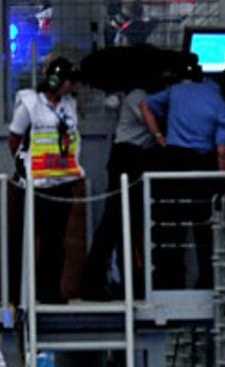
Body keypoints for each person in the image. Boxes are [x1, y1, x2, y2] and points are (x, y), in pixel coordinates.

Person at [81, 63, 179, 300]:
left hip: (135, 159)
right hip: (126, 158)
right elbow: (152, 119)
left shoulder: (144, 96)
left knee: (128, 221)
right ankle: (96, 281)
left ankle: (127, 280)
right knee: (114, 220)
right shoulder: (139, 96)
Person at [140, 58, 225, 289]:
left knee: (171, 224)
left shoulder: (175, 91)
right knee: (205, 227)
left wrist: (159, 136)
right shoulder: (219, 102)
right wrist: (223, 183)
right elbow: (221, 151)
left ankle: (169, 280)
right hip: (204, 164)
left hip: (174, 160)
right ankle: (208, 281)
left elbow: (146, 105)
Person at [6, 57, 85, 304]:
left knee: (55, 242)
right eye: (68, 82)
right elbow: (15, 138)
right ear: (56, 80)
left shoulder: (69, 106)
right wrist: (26, 165)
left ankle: (49, 291)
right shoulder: (30, 105)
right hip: (31, 185)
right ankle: (16, 294)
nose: (71, 87)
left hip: (60, 184)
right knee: (22, 240)